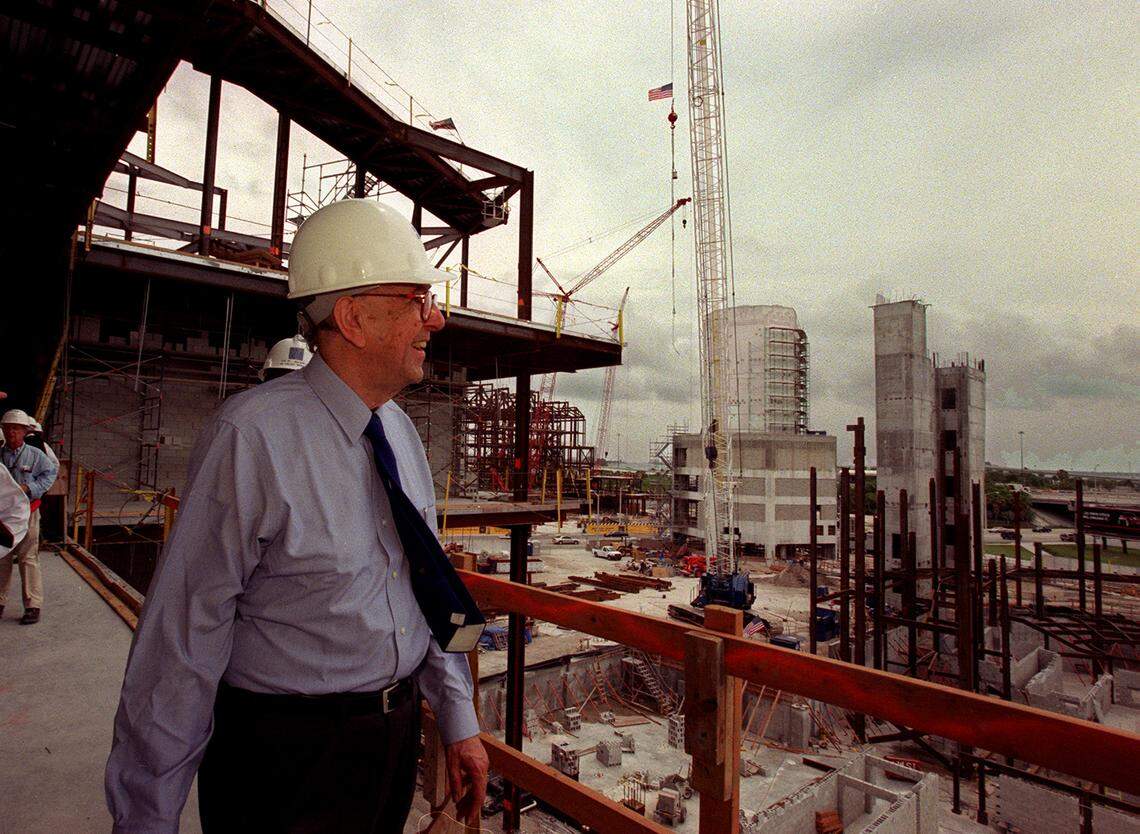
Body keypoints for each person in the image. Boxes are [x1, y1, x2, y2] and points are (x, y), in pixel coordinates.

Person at [106, 199, 488, 834]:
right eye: (418, 299)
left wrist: (458, 720)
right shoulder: (250, 438)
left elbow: (424, 585)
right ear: (353, 318)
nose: (437, 318)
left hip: (392, 745)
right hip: (284, 761)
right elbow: (183, 640)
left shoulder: (401, 435)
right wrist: (147, 819)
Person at [1, 408, 58, 624]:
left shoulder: (36, 456)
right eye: (8, 428)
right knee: (1, 557)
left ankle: (33, 605)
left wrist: (30, 488)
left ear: (25, 431)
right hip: (3, 516)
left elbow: (50, 474)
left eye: (16, 428)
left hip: (28, 512)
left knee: (28, 557)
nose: (11, 432)